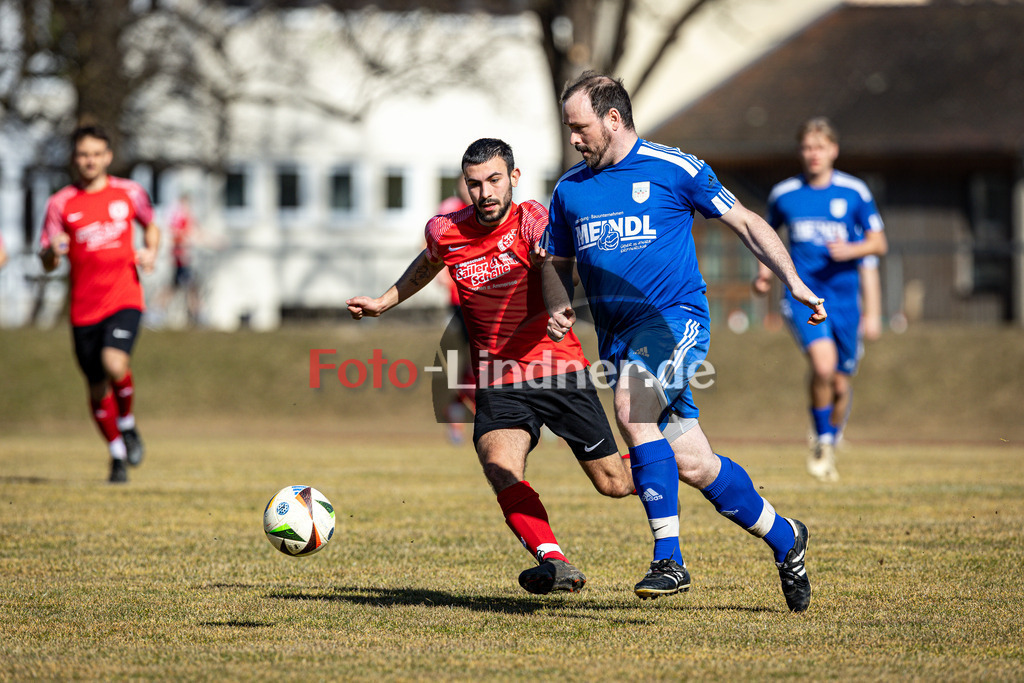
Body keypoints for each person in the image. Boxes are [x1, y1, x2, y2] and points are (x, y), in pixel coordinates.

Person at [541, 72, 825, 613]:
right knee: (694, 463)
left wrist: (792, 280)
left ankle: (668, 559)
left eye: (579, 127)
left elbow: (746, 223)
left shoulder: (675, 167)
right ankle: (787, 536)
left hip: (675, 321)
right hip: (618, 341)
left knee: (632, 408)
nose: (573, 139)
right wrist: (557, 302)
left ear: (613, 119)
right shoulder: (569, 189)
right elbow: (554, 262)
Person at [347, 138, 633, 595]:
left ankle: (676, 461)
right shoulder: (445, 230)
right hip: (499, 380)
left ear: (514, 178)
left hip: (558, 370)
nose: (485, 193)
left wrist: (557, 295)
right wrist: (384, 301)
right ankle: (554, 561)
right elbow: (429, 262)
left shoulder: (532, 218)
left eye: (494, 180)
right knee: (499, 465)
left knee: (614, 483)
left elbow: (551, 250)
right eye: (475, 184)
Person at [753, 117, 887, 482]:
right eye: (807, 147)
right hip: (804, 296)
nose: (814, 154)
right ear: (800, 151)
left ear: (834, 151)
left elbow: (879, 243)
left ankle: (828, 435)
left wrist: (851, 250)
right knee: (823, 367)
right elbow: (764, 235)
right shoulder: (785, 194)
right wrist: (764, 274)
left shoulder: (854, 192)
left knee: (840, 384)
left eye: (820, 147)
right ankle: (823, 444)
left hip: (846, 302)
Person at [39, 125, 161, 483]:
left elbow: (152, 225)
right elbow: (47, 260)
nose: (89, 161)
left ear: (108, 156)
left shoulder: (129, 192)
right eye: (83, 154)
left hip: (124, 297)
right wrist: (51, 252)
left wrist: (151, 251)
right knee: (95, 387)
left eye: (96, 154)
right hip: (84, 308)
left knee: (114, 362)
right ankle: (117, 455)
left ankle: (128, 423)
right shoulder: (60, 203)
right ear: (74, 158)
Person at [433, 176, 476, 444]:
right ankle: (456, 415)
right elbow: (430, 243)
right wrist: (440, 272)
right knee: (459, 360)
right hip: (459, 301)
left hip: (487, 301)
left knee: (483, 360)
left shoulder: (490, 211)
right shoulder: (450, 209)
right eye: (466, 181)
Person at [157, 193, 202, 326]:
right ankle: (197, 314)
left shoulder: (187, 217)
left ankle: (196, 313)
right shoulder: (179, 217)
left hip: (183, 257)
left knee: (179, 286)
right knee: (189, 286)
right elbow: (177, 235)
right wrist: (184, 249)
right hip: (181, 258)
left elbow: (196, 232)